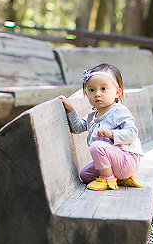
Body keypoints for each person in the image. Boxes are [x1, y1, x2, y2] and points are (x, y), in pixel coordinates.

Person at [56, 63, 143, 191]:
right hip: (115, 161)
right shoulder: (93, 113)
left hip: (127, 159)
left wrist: (111, 134)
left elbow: (132, 133)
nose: (97, 94)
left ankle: (108, 179)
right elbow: (78, 128)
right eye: (92, 90)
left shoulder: (119, 111)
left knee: (97, 145)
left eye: (103, 89)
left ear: (117, 92)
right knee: (85, 175)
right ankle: (121, 178)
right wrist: (70, 110)